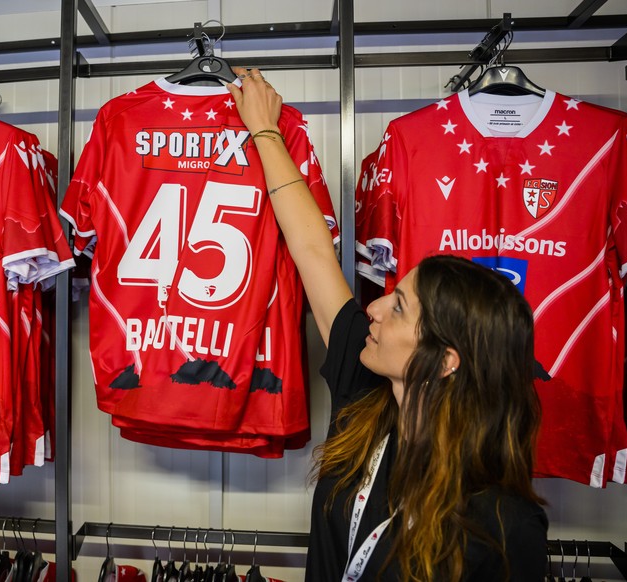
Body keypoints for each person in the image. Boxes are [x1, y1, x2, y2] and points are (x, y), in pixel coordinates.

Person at [226, 69, 548, 582]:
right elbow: (310, 247)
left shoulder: (507, 525)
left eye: (398, 306)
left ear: (446, 360)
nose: (372, 309)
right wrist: (265, 129)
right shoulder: (365, 394)